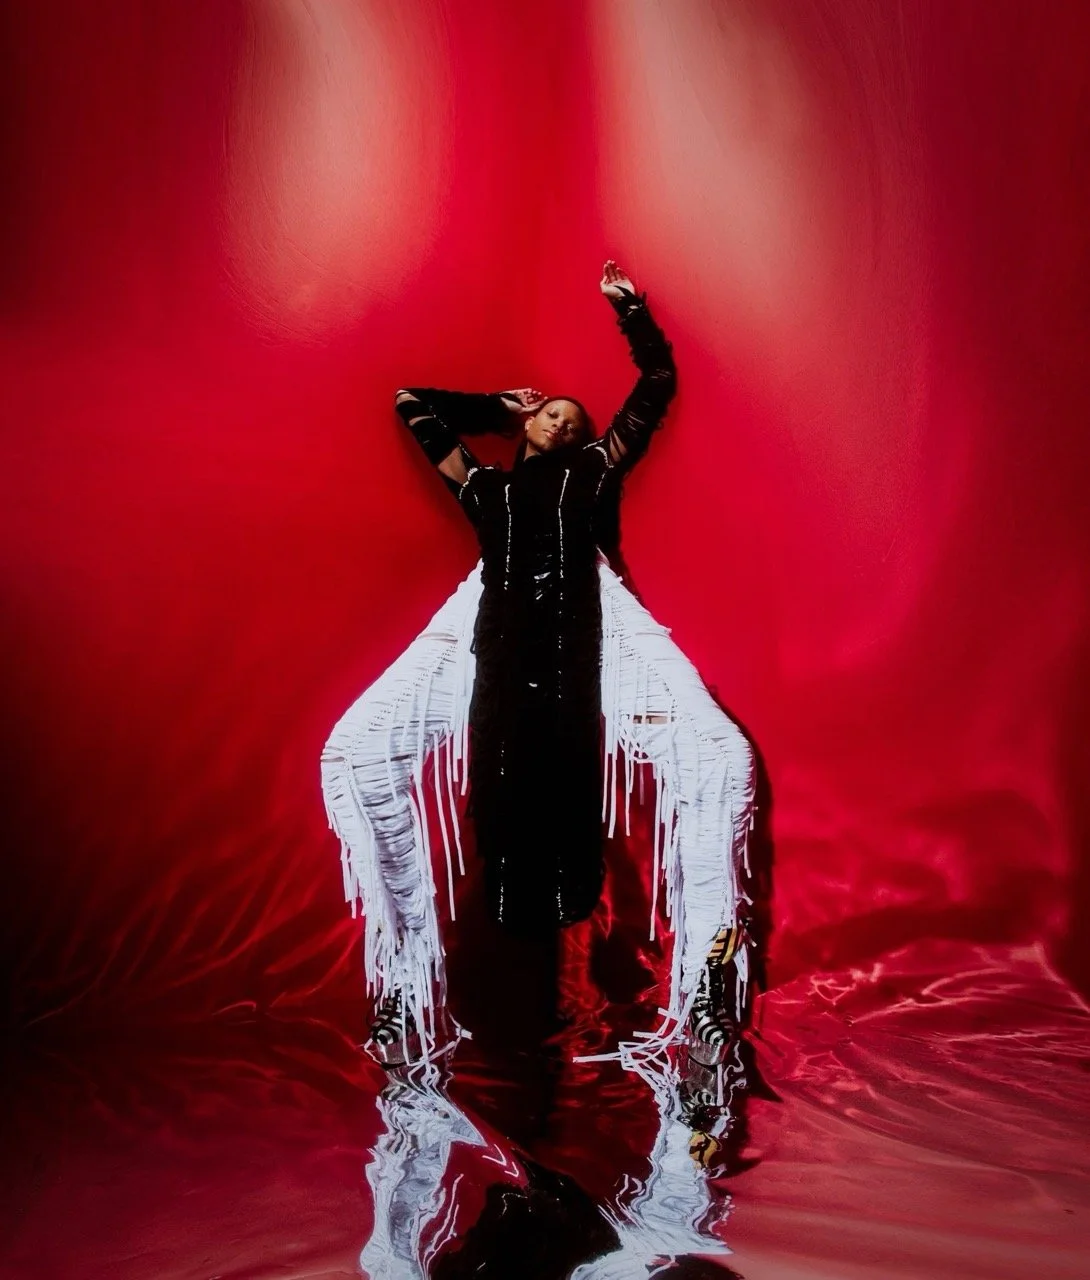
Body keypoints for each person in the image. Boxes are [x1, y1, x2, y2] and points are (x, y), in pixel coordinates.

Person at [320, 260, 757, 1070]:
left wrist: (630, 310)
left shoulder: (594, 469)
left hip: (595, 616)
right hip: (485, 616)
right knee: (353, 754)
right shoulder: (483, 489)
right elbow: (410, 404)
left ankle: (705, 1011)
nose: (559, 422)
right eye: (547, 414)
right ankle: (405, 993)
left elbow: (657, 381)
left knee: (722, 760)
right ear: (526, 427)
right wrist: (492, 406)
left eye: (571, 416)